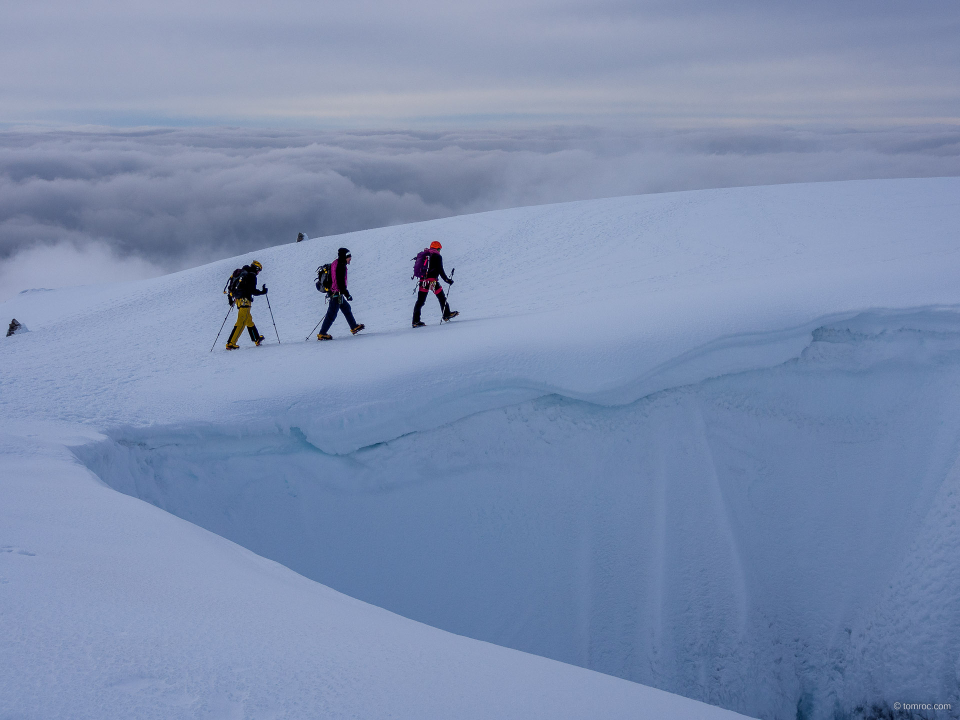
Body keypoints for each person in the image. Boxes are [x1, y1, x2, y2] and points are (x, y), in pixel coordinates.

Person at [317, 248, 364, 340]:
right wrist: (347, 294)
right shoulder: (340, 266)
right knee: (332, 314)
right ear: (344, 257)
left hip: (335, 292)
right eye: (349, 257)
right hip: (336, 293)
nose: (350, 259)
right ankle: (322, 333)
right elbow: (340, 282)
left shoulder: (336, 263)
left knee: (346, 308)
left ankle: (353, 327)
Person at [412, 241, 458, 327]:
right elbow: (440, 270)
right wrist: (447, 280)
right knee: (441, 297)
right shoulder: (437, 256)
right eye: (439, 248)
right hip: (432, 282)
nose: (440, 250)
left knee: (420, 301)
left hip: (423, 282)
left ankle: (415, 321)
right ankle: (446, 314)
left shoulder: (426, 255)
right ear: (437, 248)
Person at [225, 261, 268, 350]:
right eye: (259, 270)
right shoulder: (251, 275)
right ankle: (231, 343)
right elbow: (252, 290)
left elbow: (231, 287)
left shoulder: (241, 273)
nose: (258, 273)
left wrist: (230, 299)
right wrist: (262, 292)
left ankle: (256, 338)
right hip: (245, 301)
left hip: (238, 300)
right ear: (256, 268)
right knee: (241, 321)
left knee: (248, 320)